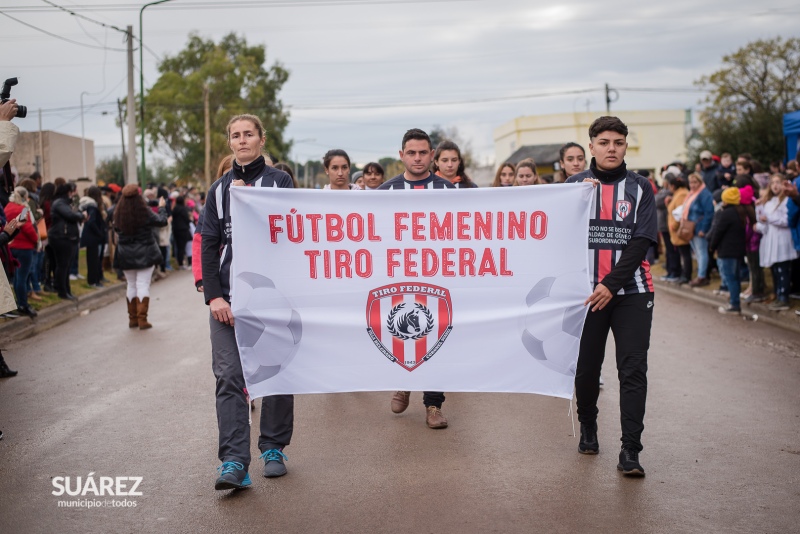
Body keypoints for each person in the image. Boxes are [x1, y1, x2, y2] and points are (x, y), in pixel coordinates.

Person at [202, 114, 295, 490]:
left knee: (274, 371)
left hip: (272, 297)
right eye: (235, 136)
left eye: (249, 135)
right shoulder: (217, 190)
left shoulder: (279, 181)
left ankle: (273, 447)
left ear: (261, 139)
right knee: (228, 376)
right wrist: (214, 297)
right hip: (228, 300)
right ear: (230, 143)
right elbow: (209, 244)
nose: (242, 141)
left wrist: (250, 202)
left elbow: (289, 230)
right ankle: (234, 462)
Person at [566, 116, 657, 477]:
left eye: (618, 142)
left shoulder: (641, 187)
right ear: (591, 146)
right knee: (587, 370)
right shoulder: (573, 186)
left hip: (631, 291)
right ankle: (589, 426)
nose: (611, 149)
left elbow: (642, 241)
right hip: (585, 295)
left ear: (625, 146)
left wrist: (611, 283)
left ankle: (631, 450)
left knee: (633, 369)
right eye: (604, 142)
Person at [379, 129, 454, 429]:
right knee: (401, 331)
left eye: (423, 153)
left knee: (438, 337)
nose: (418, 158)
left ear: (432, 155)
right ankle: (404, 380)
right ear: (402, 155)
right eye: (412, 153)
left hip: (439, 278)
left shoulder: (448, 191)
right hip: (398, 279)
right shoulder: (385, 192)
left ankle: (433, 405)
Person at [113, 185, 168, 329]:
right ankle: (142, 319)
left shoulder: (118, 213)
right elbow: (162, 221)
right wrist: (162, 207)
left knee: (131, 285)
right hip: (145, 252)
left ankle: (133, 319)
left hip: (125, 254)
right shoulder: (144, 212)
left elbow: (116, 229)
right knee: (143, 284)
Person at [756, 174, 798, 311]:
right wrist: (760, 217)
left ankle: (784, 297)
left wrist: (768, 218)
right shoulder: (768, 201)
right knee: (775, 269)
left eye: (778, 182)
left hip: (783, 240)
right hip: (771, 239)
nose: (775, 185)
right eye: (773, 182)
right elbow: (764, 223)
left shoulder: (787, 201)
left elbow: (786, 221)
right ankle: (777, 294)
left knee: (783, 269)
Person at [708, 187, 750, 314]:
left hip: (727, 250)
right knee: (736, 277)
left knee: (730, 277)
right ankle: (735, 302)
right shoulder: (741, 211)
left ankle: (734, 304)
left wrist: (712, 246)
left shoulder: (725, 213)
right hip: (738, 250)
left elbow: (718, 232)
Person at [46, 183, 85, 301]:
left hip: (67, 237)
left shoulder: (66, 203)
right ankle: (62, 290)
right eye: (75, 190)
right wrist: (81, 215)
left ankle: (66, 290)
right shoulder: (59, 203)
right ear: (69, 191)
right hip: (61, 237)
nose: (76, 193)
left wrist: (79, 215)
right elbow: (71, 215)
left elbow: (74, 213)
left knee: (66, 265)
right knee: (62, 265)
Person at [4, 187, 39, 317]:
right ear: (24, 197)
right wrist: (36, 240)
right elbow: (27, 227)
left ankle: (18, 303)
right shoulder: (23, 209)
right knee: (22, 278)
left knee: (16, 278)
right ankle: (23, 304)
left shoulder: (7, 207)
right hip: (24, 247)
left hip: (11, 245)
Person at [683, 173, 715, 287]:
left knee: (702, 253)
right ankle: (701, 274)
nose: (692, 185)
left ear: (700, 182)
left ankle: (702, 276)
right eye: (691, 182)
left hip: (699, 228)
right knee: (697, 253)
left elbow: (709, 213)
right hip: (692, 227)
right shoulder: (692, 194)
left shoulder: (704, 194)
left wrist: (704, 228)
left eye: (695, 182)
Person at [79, 186, 108, 288]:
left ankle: (96, 279)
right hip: (94, 237)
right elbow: (91, 221)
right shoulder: (92, 206)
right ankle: (93, 281)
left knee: (95, 259)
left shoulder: (88, 205)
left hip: (92, 237)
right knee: (93, 260)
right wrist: (99, 232)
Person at [666, 175, 692, 284]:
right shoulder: (678, 194)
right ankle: (684, 273)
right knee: (682, 253)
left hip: (679, 229)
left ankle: (686, 275)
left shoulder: (681, 195)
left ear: (673, 186)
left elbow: (680, 212)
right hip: (676, 229)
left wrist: (675, 225)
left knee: (685, 254)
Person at [171, 195, 192, 270]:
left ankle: (180, 263)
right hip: (183, 229)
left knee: (179, 247)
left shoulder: (174, 209)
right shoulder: (183, 209)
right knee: (183, 247)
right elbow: (187, 219)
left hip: (176, 230)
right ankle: (182, 263)